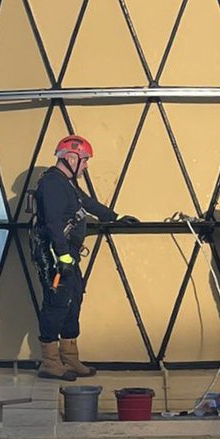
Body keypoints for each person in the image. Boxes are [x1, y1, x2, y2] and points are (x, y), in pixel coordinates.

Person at [33, 135, 139, 380]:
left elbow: (86, 203)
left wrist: (114, 216)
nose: (86, 165)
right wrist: (62, 256)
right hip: (55, 255)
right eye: (85, 160)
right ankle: (50, 362)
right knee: (56, 303)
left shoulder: (66, 183)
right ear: (71, 158)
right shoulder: (52, 183)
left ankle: (69, 356)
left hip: (67, 253)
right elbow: (53, 223)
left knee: (74, 298)